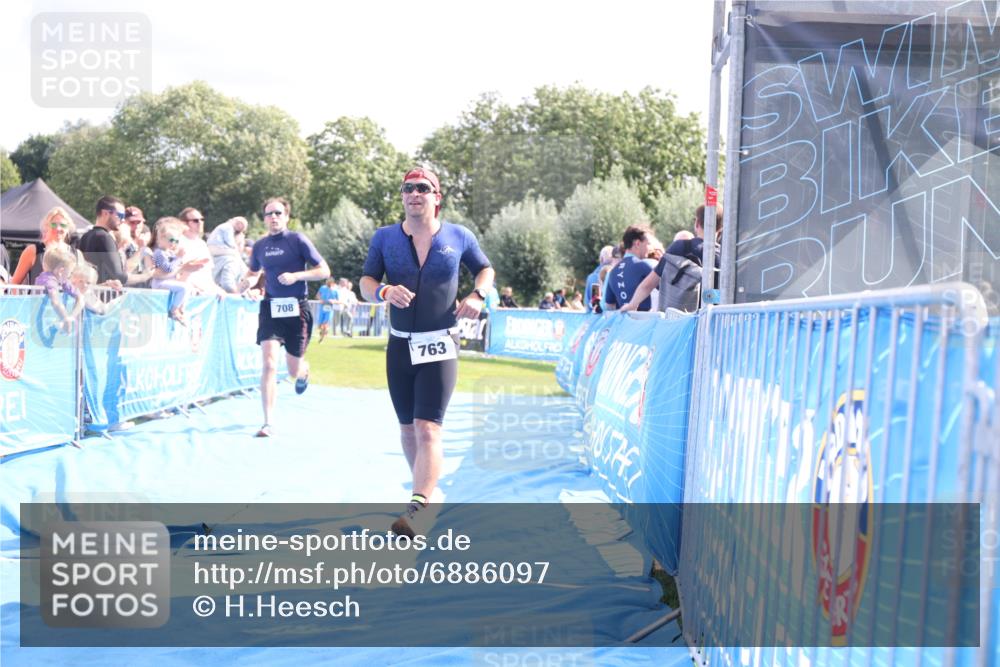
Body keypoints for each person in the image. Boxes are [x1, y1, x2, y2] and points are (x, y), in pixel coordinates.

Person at [359, 167, 493, 537]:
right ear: (402, 196)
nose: (414, 194)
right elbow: (366, 282)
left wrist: (478, 295)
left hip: (440, 344)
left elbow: (485, 269)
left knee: (428, 427)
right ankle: (426, 493)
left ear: (437, 197)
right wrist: (384, 292)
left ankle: (417, 507)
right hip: (400, 345)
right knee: (407, 430)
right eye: (408, 188)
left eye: (422, 188)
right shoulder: (385, 238)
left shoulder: (458, 236)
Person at [240, 196, 330, 438]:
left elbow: (324, 270)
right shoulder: (260, 246)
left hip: (296, 309)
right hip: (270, 307)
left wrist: (296, 276)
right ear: (264, 218)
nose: (273, 217)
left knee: (292, 370)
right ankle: (268, 422)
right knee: (268, 363)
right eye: (269, 214)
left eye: (278, 213)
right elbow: (253, 272)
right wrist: (245, 283)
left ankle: (303, 371)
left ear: (287, 216)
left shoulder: (297, 240)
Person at [620, 205, 724, 314]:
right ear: (720, 228)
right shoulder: (723, 258)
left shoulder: (679, 248)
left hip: (678, 322)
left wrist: (632, 305)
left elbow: (648, 284)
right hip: (710, 324)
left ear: (697, 223)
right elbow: (723, 296)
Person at [12, 206, 84, 285]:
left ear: (68, 229)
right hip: (38, 297)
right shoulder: (33, 251)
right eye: (54, 225)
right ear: (47, 227)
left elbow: (83, 283)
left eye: (63, 225)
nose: (58, 228)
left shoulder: (77, 254)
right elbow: (14, 283)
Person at [150, 217, 198, 325]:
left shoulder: (169, 253)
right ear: (161, 238)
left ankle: (180, 309)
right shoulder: (159, 253)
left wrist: (182, 261)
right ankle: (174, 310)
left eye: (176, 241)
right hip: (159, 283)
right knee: (184, 288)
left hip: (167, 281)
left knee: (189, 287)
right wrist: (179, 258)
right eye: (171, 240)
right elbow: (168, 269)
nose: (174, 243)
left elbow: (176, 267)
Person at [602, 225, 658, 312]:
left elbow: (609, 305)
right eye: (647, 244)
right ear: (637, 243)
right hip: (644, 322)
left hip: (624, 323)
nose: (649, 249)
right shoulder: (642, 266)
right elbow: (666, 289)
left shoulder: (612, 272)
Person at [78, 196, 129, 288]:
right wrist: (147, 275)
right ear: (105, 213)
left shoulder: (85, 236)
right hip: (104, 298)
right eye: (120, 215)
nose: (123, 220)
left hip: (91, 293)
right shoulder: (104, 237)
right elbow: (118, 276)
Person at [35, 246, 84, 332]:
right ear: (61, 271)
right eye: (70, 272)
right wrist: (65, 318)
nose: (70, 276)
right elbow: (55, 302)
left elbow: (80, 297)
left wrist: (71, 317)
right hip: (39, 321)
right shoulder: (48, 280)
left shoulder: (62, 279)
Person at [316, 277, 337, 343]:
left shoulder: (335, 290)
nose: (328, 283)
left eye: (329, 282)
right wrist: (320, 299)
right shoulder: (322, 288)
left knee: (325, 324)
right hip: (322, 308)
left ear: (332, 283)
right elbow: (317, 295)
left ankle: (322, 338)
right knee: (319, 326)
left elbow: (337, 300)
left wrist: (333, 301)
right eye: (327, 282)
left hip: (329, 309)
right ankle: (324, 331)